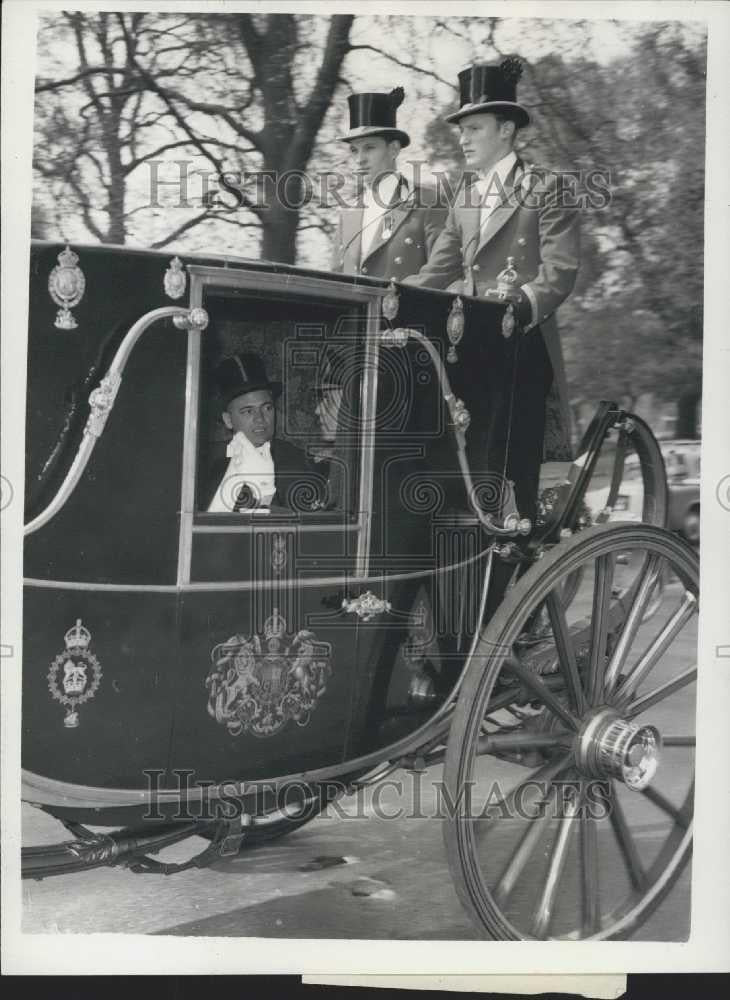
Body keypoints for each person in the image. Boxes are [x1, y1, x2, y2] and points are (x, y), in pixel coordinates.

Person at [406, 57, 580, 525]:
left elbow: (559, 271)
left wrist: (517, 305)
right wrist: (389, 297)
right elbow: (437, 269)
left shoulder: (547, 188)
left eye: (474, 128)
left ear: (506, 129)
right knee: (463, 466)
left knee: (510, 475)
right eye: (462, 129)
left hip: (520, 346)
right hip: (469, 347)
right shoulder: (464, 197)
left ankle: (513, 565)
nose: (463, 138)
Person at [331, 87, 448, 280]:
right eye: (354, 150)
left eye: (369, 148)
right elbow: (335, 282)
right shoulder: (348, 214)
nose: (359, 159)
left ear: (393, 149)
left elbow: (442, 272)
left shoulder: (428, 201)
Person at [204, 352, 310, 512]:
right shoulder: (204, 460)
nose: (260, 419)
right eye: (248, 411)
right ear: (228, 420)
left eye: (267, 408)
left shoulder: (296, 461)